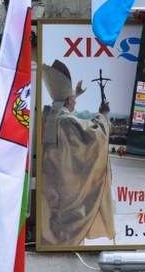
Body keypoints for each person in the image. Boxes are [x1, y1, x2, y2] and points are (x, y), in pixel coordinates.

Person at [39, 59, 115, 246]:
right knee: (66, 230)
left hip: (52, 181)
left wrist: (75, 94)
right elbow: (93, 136)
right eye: (73, 98)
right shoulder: (66, 121)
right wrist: (103, 115)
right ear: (67, 100)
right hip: (67, 185)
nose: (75, 100)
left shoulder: (49, 115)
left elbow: (65, 109)